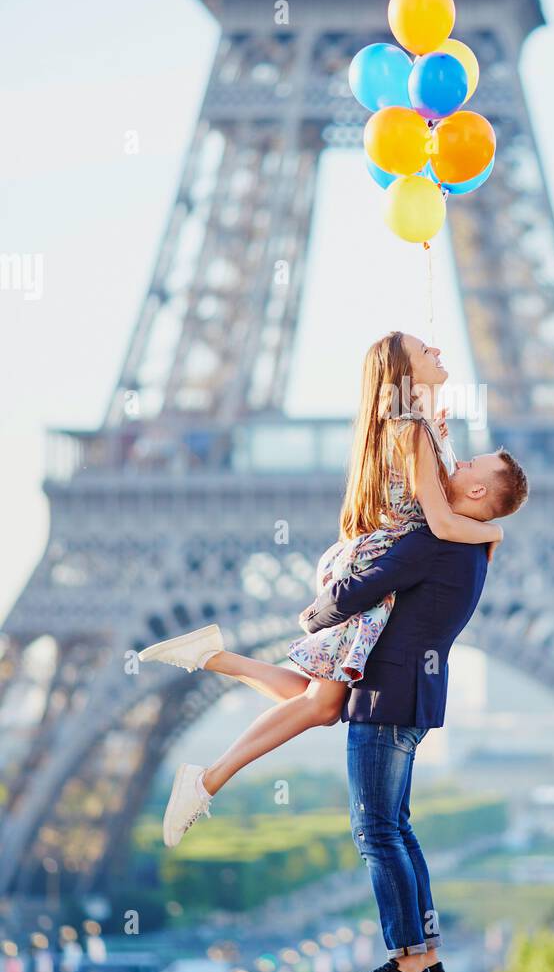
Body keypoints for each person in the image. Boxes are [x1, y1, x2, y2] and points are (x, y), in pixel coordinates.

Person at [138, 331, 526, 851]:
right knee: (323, 704)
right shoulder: (411, 429)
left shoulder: (418, 426)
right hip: (377, 564)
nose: (437, 351)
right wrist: (493, 531)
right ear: (406, 372)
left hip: (372, 555)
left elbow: (430, 484)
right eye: (424, 351)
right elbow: (440, 521)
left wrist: (438, 431)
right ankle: (207, 778)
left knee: (324, 702)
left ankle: (211, 659)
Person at [302, 466, 528, 972]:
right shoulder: (471, 548)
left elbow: (369, 582)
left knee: (375, 831)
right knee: (397, 829)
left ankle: (406, 965)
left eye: (470, 465)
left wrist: (315, 616)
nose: (458, 466)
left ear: (477, 491)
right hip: (414, 697)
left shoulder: (435, 542)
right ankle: (425, 955)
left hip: (385, 697)